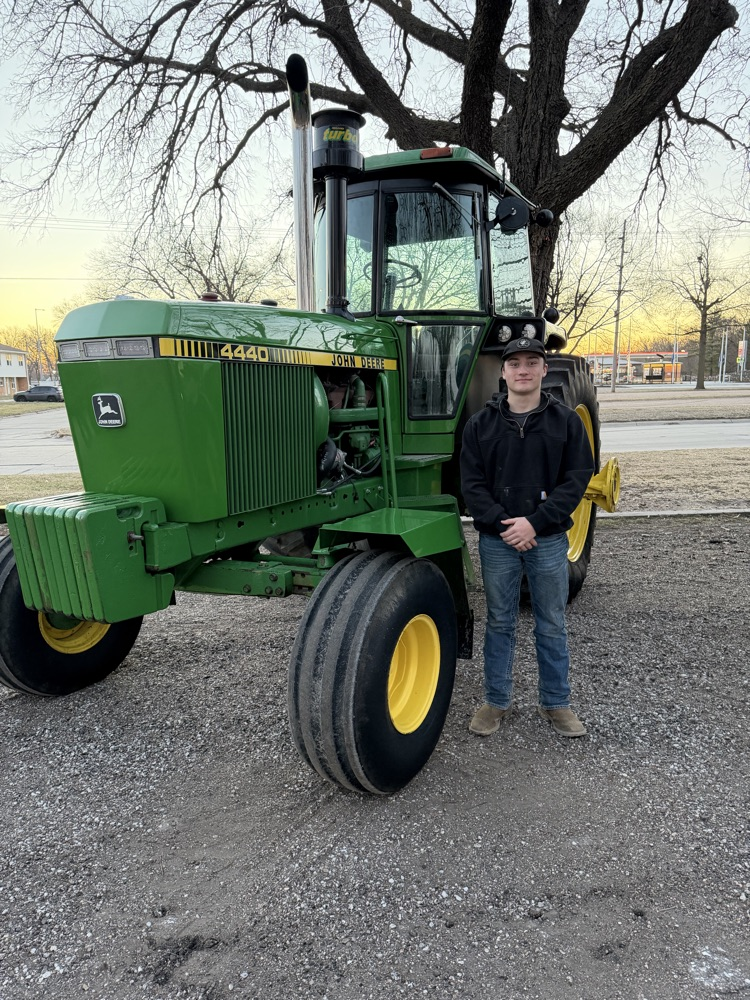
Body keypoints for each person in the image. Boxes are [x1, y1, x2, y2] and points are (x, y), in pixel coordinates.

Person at [460, 337, 595, 738]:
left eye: (531, 362)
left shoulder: (566, 422)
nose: (523, 370)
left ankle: (557, 704)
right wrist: (507, 525)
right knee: (500, 622)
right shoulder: (479, 425)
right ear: (503, 372)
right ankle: (495, 702)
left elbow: (577, 479)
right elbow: (472, 485)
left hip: (548, 540)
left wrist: (534, 523)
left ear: (542, 370)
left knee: (551, 623)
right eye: (514, 363)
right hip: (497, 541)